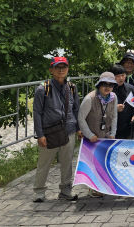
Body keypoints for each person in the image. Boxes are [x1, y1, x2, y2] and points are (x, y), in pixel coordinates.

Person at [32, 56, 80, 202]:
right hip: (50, 131)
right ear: (51, 70)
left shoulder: (72, 87)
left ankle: (66, 191)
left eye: (63, 67)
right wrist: (40, 135)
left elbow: (76, 109)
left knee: (67, 162)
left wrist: (79, 128)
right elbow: (37, 112)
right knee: (44, 163)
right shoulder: (43, 89)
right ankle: (39, 192)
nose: (61, 70)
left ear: (67, 69)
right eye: (57, 67)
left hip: (69, 129)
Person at [77, 71, 118, 197]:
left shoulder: (114, 97)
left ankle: (104, 186)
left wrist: (113, 133)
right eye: (104, 84)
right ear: (99, 85)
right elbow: (80, 118)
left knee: (105, 161)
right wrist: (89, 135)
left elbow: (115, 115)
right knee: (93, 163)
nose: (107, 87)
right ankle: (94, 189)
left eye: (110, 85)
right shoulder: (90, 98)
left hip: (106, 136)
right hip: (93, 137)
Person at [110, 64, 134, 139]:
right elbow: (101, 108)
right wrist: (114, 108)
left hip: (128, 127)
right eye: (118, 76)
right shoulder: (108, 89)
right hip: (111, 128)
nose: (121, 78)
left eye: (123, 75)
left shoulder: (130, 88)